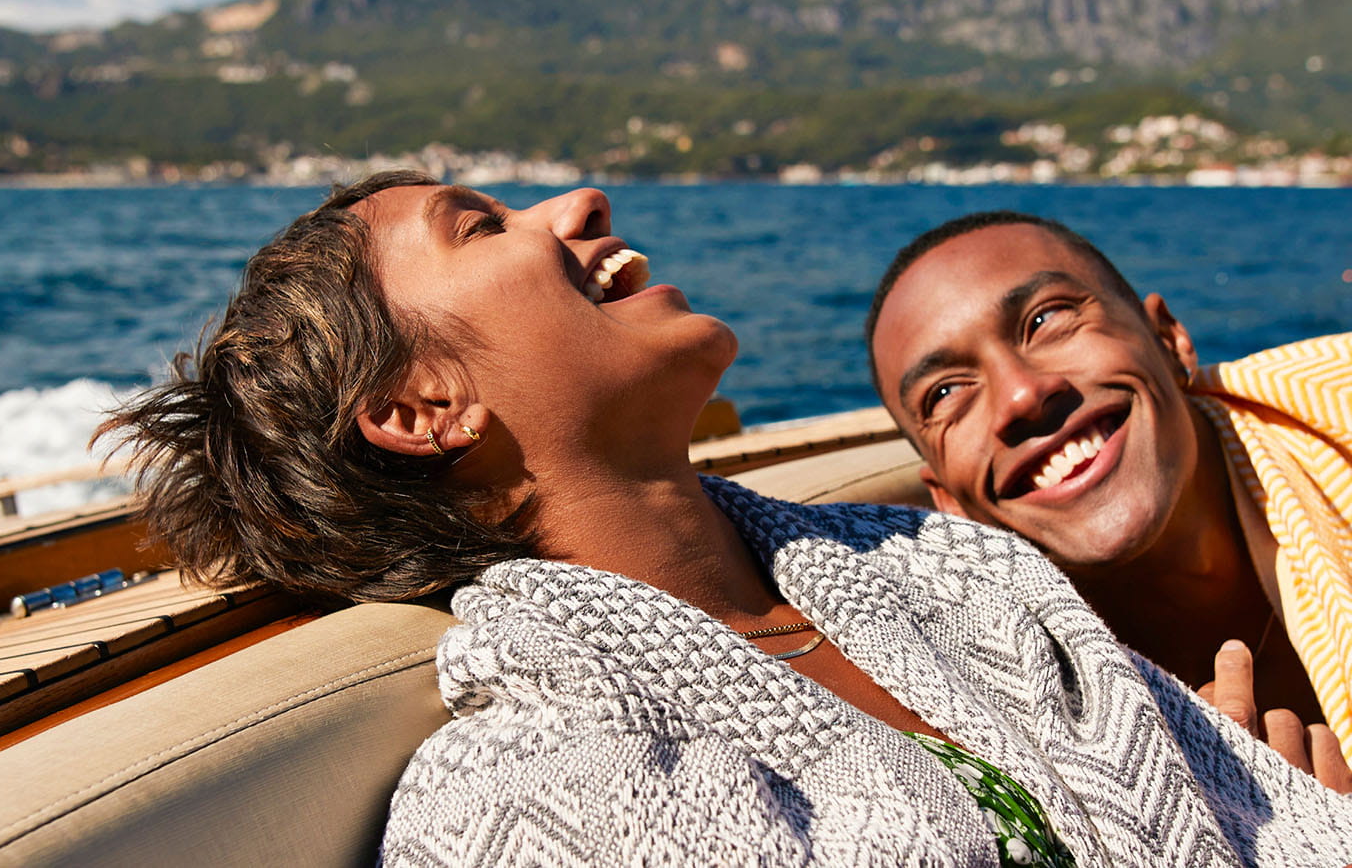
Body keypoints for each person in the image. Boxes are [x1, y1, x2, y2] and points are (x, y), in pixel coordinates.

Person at [101, 173, 1352, 865]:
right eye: (480, 224)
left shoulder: (966, 575)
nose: (578, 204)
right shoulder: (521, 797)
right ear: (422, 407)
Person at [864, 210, 1352, 770]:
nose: (1021, 395)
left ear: (1170, 339)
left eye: (1046, 319)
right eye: (946, 390)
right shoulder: (991, 718)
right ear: (947, 500)